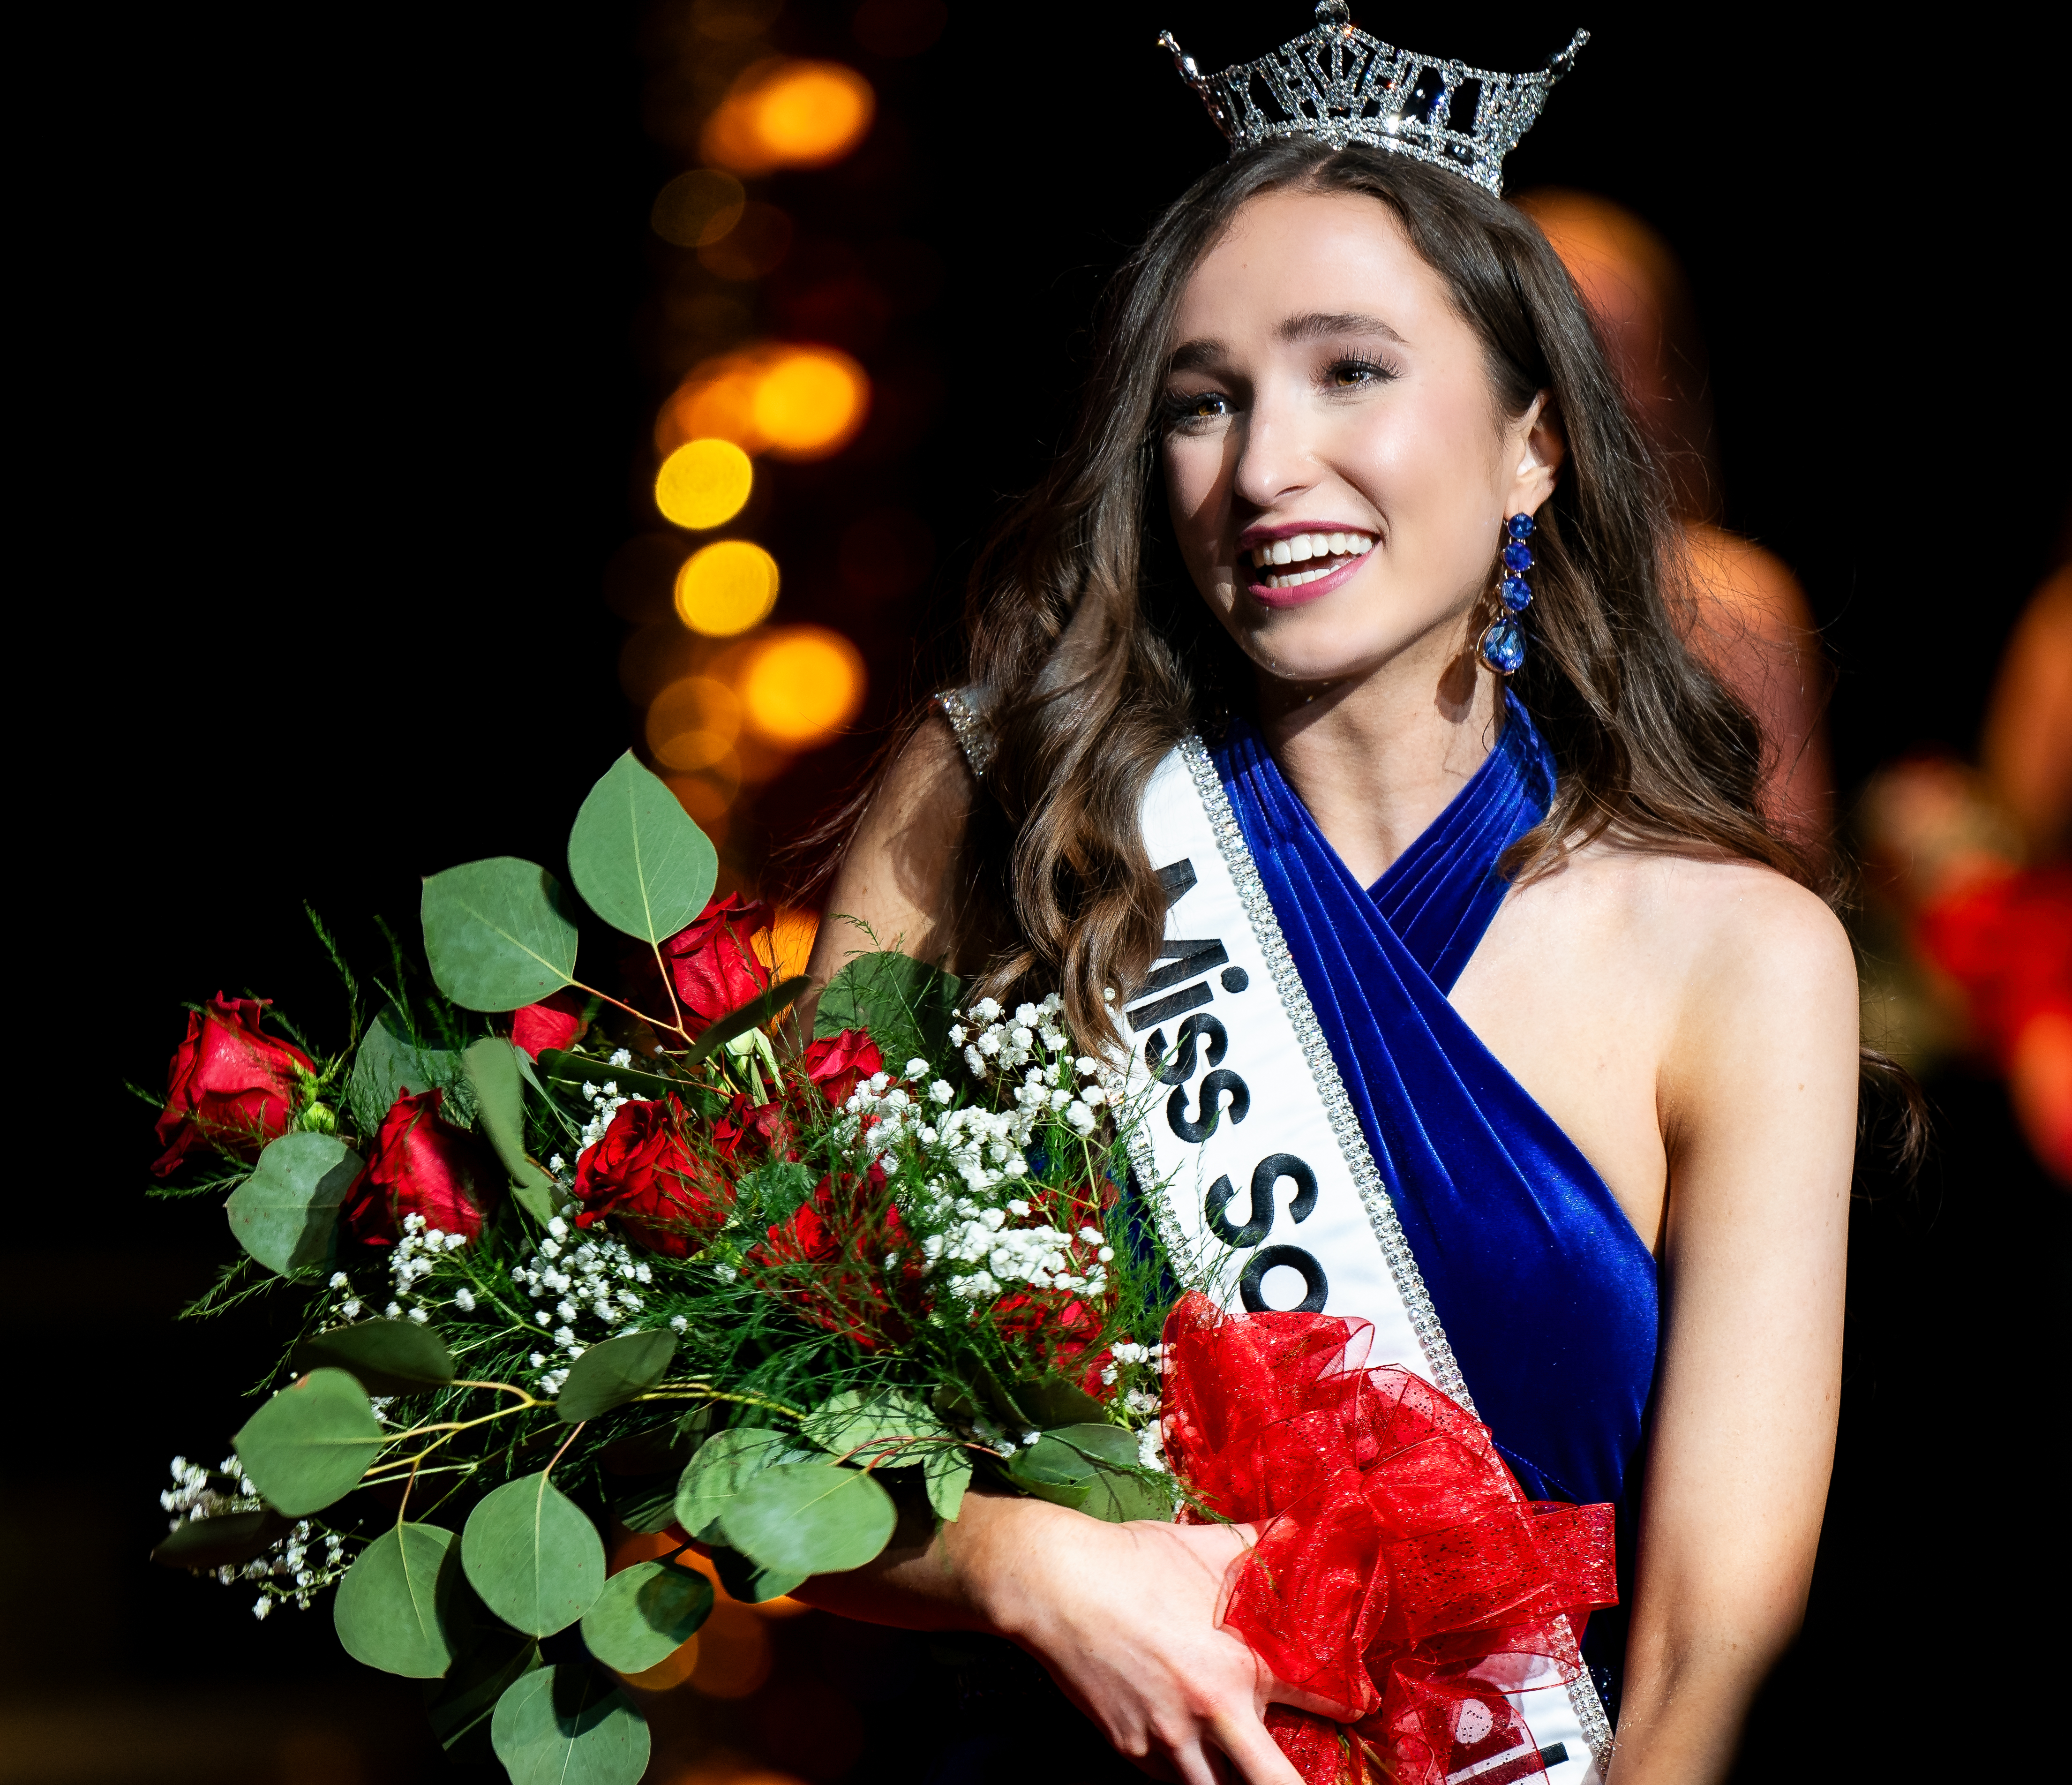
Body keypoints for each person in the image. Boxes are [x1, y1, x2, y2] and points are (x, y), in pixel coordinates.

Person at [791, 11, 1860, 1783]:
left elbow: (1702, 1643)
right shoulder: (998, 814)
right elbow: (742, 1415)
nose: (1266, 467)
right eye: (1203, 401)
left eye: (1350, 369)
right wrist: (1015, 1556)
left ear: (1536, 442)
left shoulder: (1741, 956)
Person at [1514, 189, 1835, 858]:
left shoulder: (1737, 603)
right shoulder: (1427, 591)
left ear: (1668, 378)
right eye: (1553, 341)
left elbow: (1794, 863)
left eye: (1613, 347)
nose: (1583, 382)